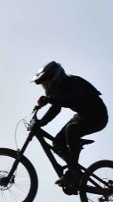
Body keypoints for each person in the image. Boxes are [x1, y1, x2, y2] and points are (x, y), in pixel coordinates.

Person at [31, 61, 108, 193]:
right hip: (83, 116)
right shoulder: (58, 90)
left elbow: (72, 101)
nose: (45, 87)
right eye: (43, 85)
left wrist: (49, 100)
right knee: (57, 143)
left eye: (46, 83)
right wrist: (41, 122)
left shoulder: (74, 82)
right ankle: (76, 175)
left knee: (71, 129)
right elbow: (55, 109)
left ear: (55, 77)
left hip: (98, 116)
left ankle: (72, 172)